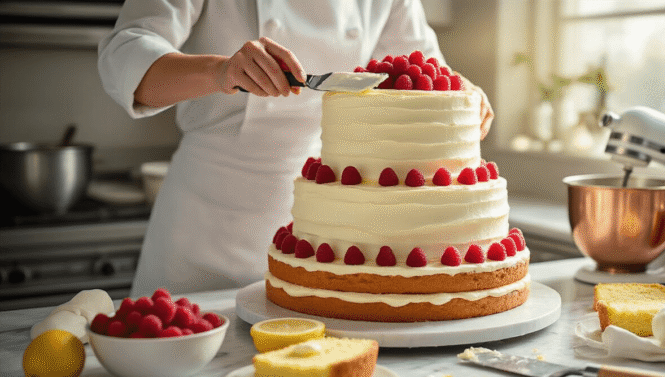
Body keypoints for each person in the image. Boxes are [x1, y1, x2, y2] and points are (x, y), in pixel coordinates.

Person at [98, 0, 494, 297]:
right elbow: (125, 56)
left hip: (328, 232)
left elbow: (420, 69)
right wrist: (220, 71)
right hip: (206, 229)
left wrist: (461, 91)